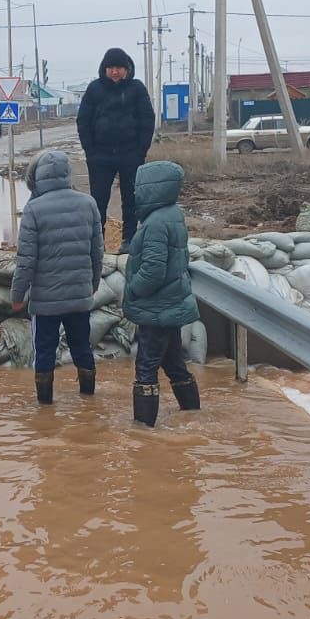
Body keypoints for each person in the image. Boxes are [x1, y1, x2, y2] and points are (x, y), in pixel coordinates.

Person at [10, 149, 103, 405]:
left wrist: (17, 295)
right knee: (82, 347)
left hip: (45, 301)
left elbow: (26, 260)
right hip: (79, 297)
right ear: (67, 173)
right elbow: (97, 252)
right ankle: (88, 398)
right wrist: (92, 286)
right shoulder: (89, 203)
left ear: (37, 176)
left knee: (45, 352)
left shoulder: (34, 209)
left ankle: (45, 407)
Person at [121, 160, 200, 428]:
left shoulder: (155, 223)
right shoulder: (172, 213)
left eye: (138, 187)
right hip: (170, 304)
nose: (134, 193)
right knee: (175, 364)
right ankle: (192, 415)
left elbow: (154, 270)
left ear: (151, 188)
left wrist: (133, 289)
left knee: (146, 368)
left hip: (157, 307)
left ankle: (143, 431)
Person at [76, 46, 154, 252]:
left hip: (130, 154)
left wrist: (140, 151)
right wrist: (90, 152)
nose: (115, 71)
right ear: (104, 69)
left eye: (119, 67)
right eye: (111, 67)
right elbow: (83, 121)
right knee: (98, 201)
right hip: (100, 156)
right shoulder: (94, 89)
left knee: (131, 199)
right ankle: (97, 242)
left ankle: (129, 240)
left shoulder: (137, 89)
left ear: (127, 69)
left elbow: (147, 120)